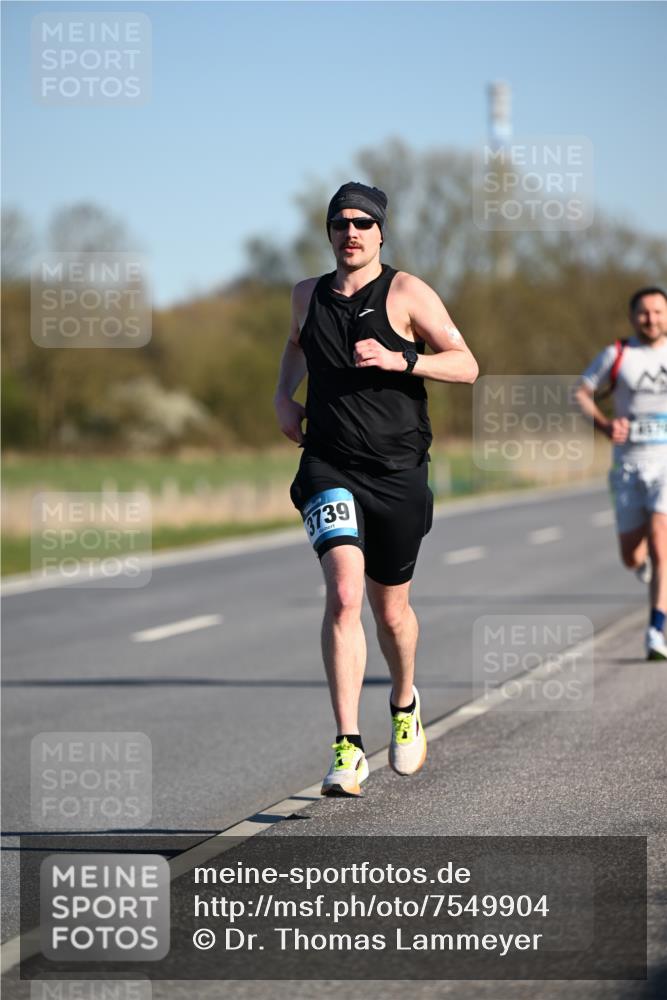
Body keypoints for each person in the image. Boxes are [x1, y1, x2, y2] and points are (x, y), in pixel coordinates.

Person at [274, 181, 478, 795]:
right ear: (329, 232)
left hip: (397, 471)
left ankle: (405, 701)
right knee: (342, 596)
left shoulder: (407, 291)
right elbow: (293, 347)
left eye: (363, 222)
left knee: (390, 610)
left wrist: (405, 361)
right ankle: (348, 744)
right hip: (328, 464)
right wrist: (284, 396)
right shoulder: (306, 295)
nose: (352, 232)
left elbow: (466, 365)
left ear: (381, 231)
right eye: (340, 223)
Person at [576, 286, 667, 660]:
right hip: (628, 464)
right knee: (632, 556)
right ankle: (642, 564)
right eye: (644, 313)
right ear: (633, 317)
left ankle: (657, 630)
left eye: (659, 312)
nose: (652, 319)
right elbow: (581, 392)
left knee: (662, 539)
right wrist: (603, 424)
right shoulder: (617, 354)